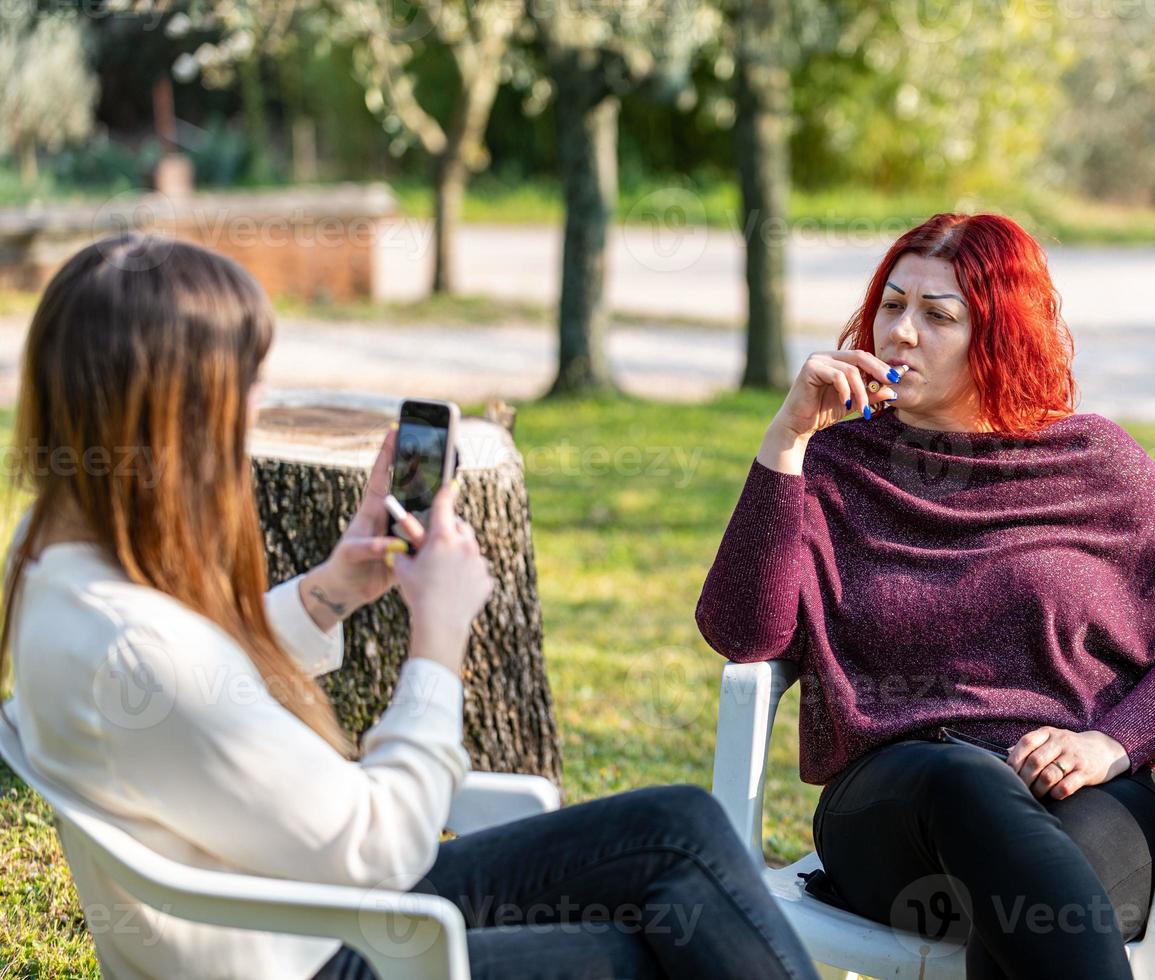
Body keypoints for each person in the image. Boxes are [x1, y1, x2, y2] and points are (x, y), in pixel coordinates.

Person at [2, 234, 819, 980]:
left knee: (676, 829)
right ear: (175, 414)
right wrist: (438, 636)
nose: (254, 407)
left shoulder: (54, 560)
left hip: (298, 902)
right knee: (647, 952)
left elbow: (191, 687)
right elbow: (379, 848)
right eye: (243, 383)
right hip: (314, 948)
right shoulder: (133, 649)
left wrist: (328, 593)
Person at [696, 213, 1155, 979]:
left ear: (1001, 333)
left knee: (1043, 897)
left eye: (937, 315)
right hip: (901, 803)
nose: (901, 334)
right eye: (890, 306)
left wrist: (1108, 744)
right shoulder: (833, 463)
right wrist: (785, 441)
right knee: (967, 783)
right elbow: (741, 632)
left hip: (1090, 795)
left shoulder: (1093, 460)